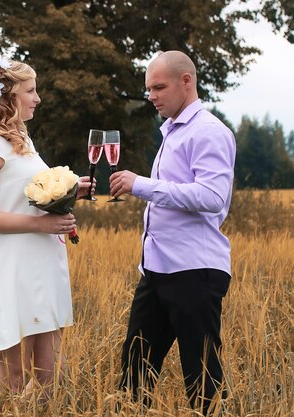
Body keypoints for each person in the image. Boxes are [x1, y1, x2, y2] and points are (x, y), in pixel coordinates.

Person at [109, 50, 236, 415]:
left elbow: (211, 198)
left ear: (186, 82)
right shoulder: (173, 131)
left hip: (195, 272)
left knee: (201, 380)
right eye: (149, 88)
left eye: (158, 87)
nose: (151, 96)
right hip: (157, 271)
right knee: (134, 373)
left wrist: (142, 185)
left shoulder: (209, 132)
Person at [0, 57, 93, 400]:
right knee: (13, 383)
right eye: (31, 91)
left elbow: (27, 196)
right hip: (12, 268)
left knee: (51, 381)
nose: (37, 98)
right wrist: (41, 223)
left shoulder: (24, 141)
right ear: (8, 96)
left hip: (44, 265)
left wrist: (67, 191)